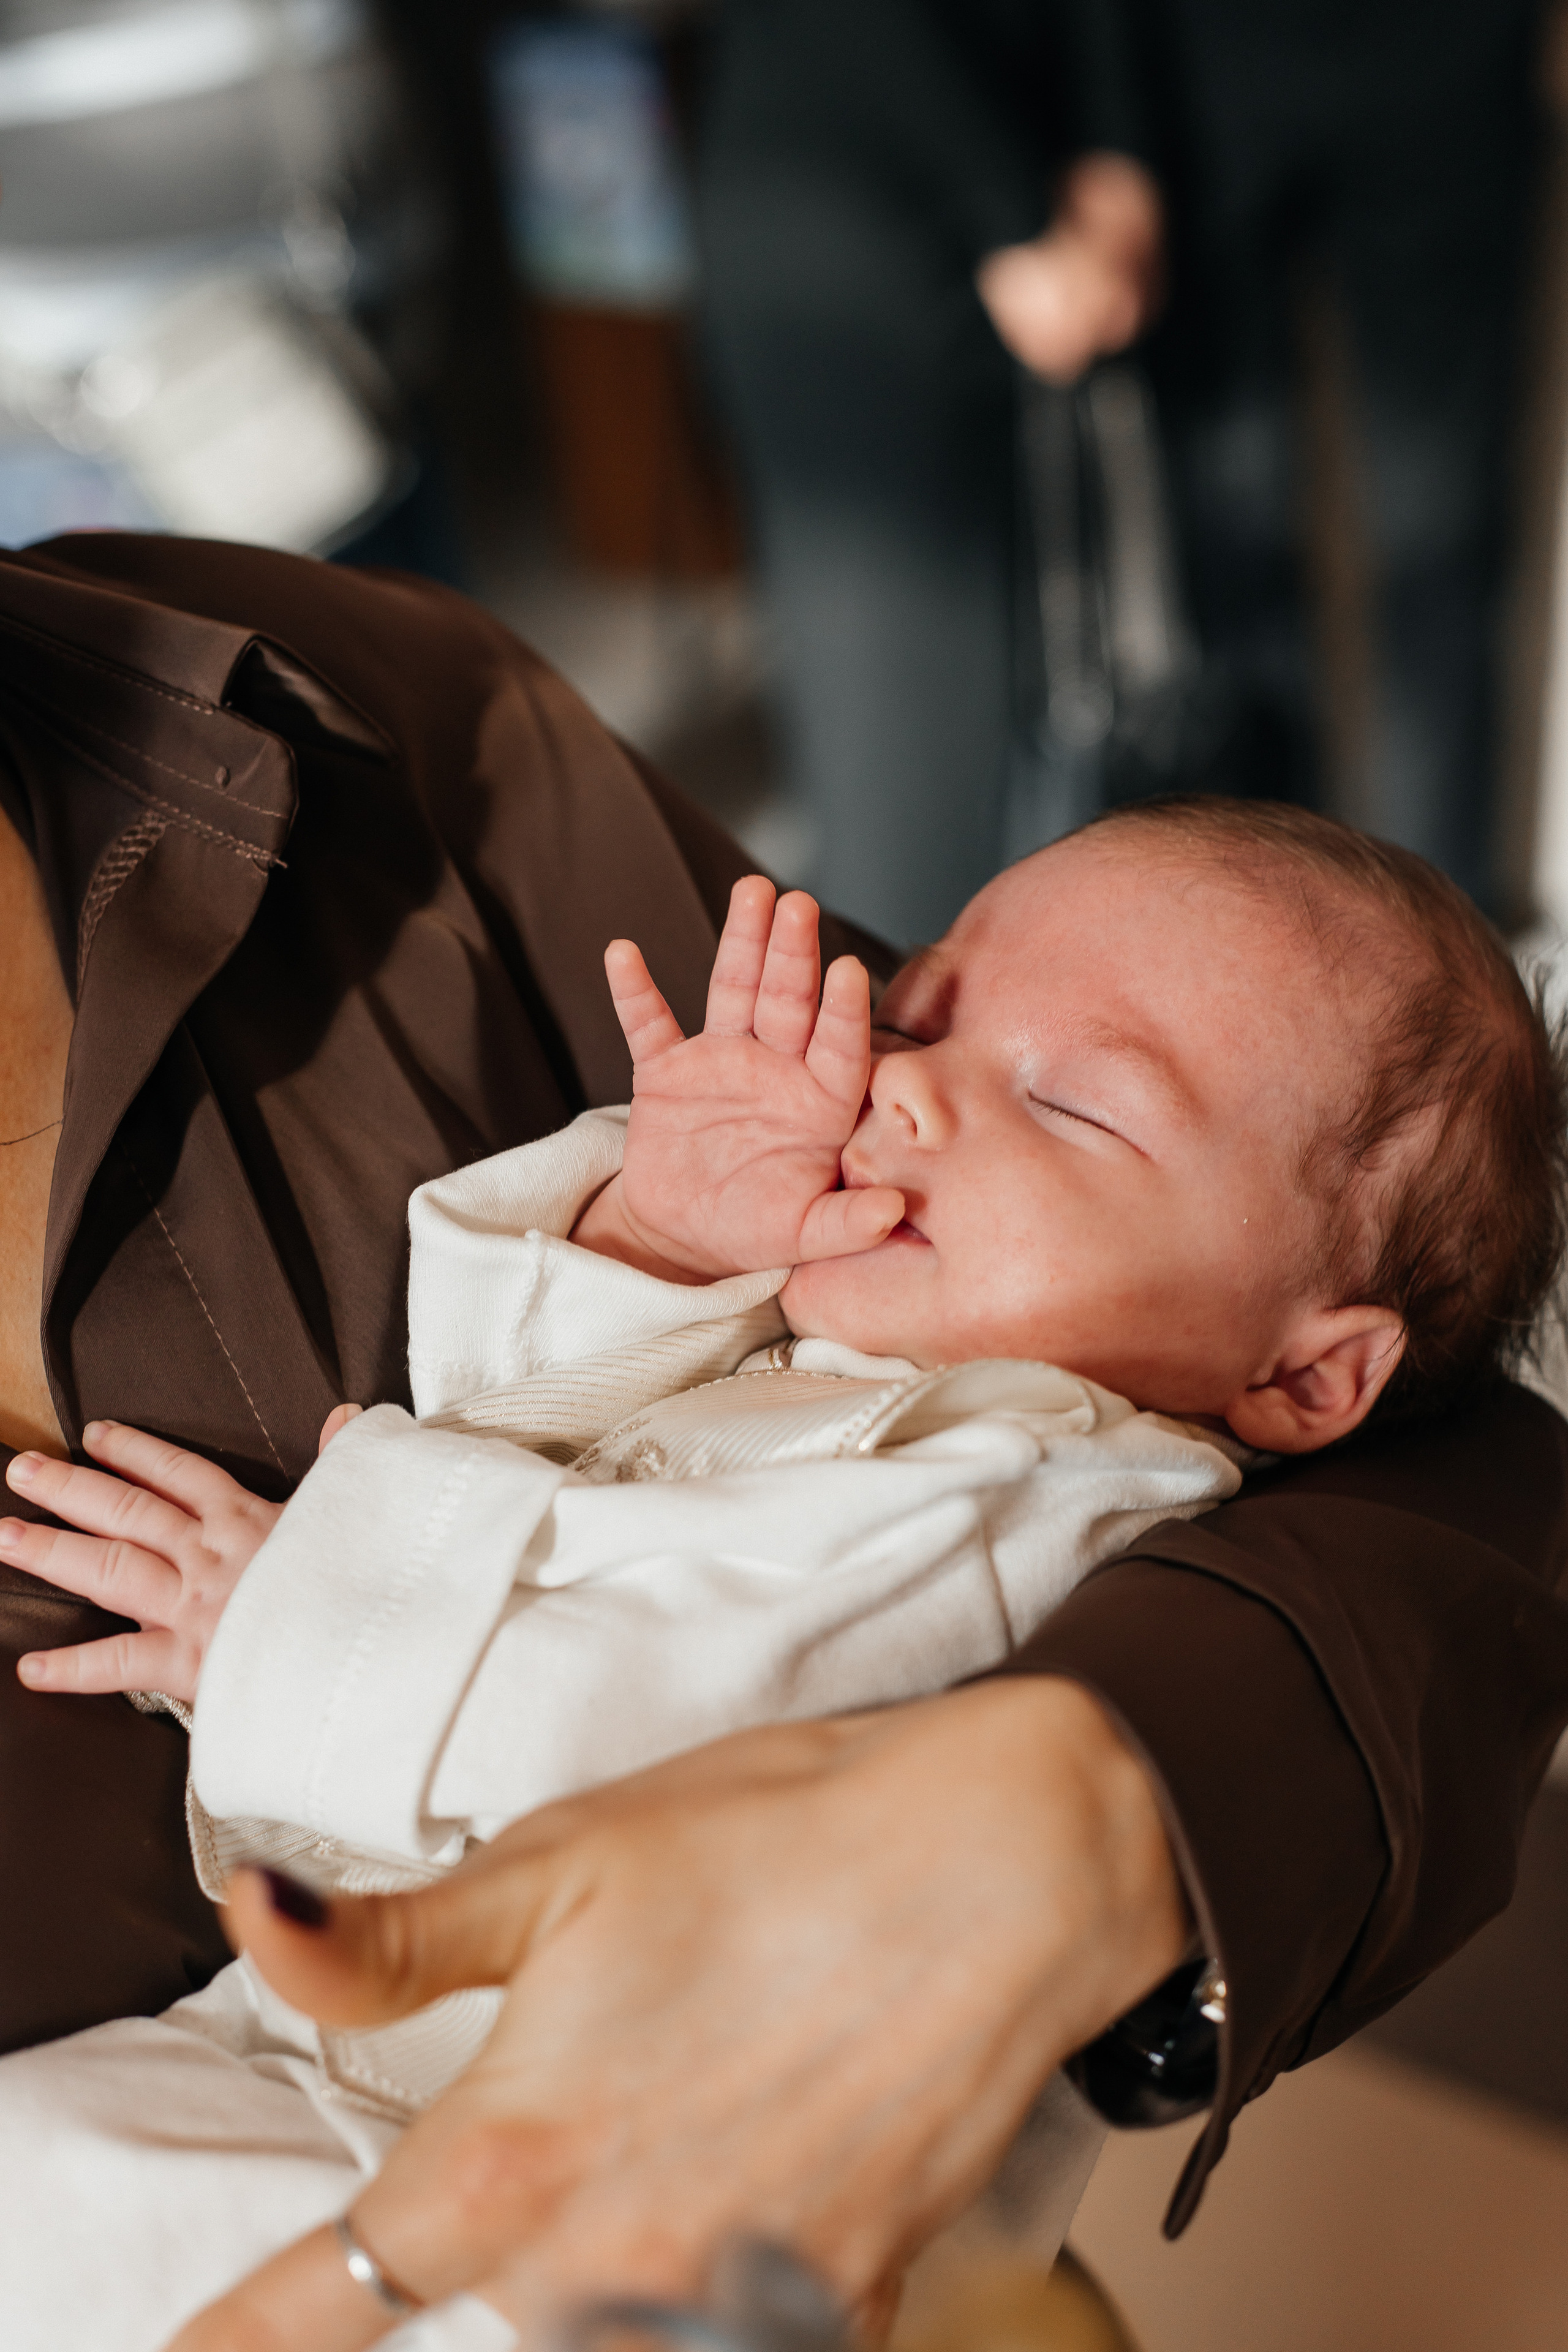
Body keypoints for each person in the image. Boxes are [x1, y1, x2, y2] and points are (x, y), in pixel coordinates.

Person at [0, 535, 1564, 2341]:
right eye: (919, 1009)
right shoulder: (867, 1333)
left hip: (638, 2176)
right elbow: (526, 1457)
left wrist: (291, 1621)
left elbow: (681, 1749)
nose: (898, 1067)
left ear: (1301, 1381)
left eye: (1065, 1100)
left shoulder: (1049, 1496)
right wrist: (657, 1243)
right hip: (322, 2062)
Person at [698, 0, 1164, 943]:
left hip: (1015, 167)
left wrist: (1113, 154)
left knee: (1035, 733)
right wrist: (1018, 218)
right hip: (871, 201)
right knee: (910, 779)